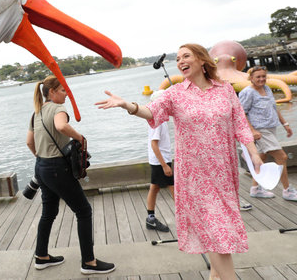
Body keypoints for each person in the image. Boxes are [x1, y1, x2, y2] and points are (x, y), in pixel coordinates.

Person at [95, 43, 263, 280]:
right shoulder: (174, 94)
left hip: (224, 174)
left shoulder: (225, 90)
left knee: (219, 236)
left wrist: (253, 152)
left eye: (186, 56)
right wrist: (128, 106)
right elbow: (150, 112)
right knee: (217, 234)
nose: (180, 61)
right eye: (178, 58)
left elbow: (240, 124)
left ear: (202, 60)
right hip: (195, 178)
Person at [26, 75, 116, 275]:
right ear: (52, 92)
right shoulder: (59, 109)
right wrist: (80, 137)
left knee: (48, 212)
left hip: (41, 167)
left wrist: (43, 160)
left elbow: (29, 143)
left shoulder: (37, 113)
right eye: (63, 91)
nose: (67, 94)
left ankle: (41, 256)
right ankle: (89, 262)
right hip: (57, 169)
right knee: (83, 211)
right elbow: (61, 126)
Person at [239, 66, 297, 201]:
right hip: (261, 131)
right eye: (258, 77)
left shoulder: (267, 89)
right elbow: (241, 113)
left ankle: (255, 188)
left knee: (262, 158)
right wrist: (252, 131)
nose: (261, 79)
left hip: (271, 128)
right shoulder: (248, 92)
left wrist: (285, 124)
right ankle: (287, 190)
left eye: (263, 76)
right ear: (251, 78)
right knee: (282, 157)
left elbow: (274, 108)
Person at [144, 90, 174, 232]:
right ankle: (189, 220)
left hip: (159, 160)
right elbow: (154, 144)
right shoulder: (158, 122)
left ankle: (150, 219)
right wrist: (164, 165)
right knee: (175, 190)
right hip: (161, 161)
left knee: (154, 188)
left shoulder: (158, 119)